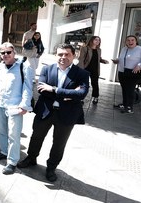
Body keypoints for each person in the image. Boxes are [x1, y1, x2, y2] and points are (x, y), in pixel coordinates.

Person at [17, 44, 89, 182]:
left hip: (67, 115)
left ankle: (51, 167)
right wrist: (69, 95)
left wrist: (54, 90)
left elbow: (81, 94)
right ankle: (31, 158)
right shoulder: (46, 69)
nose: (63, 57)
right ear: (56, 55)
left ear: (74, 55)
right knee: (36, 137)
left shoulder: (82, 74)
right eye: (60, 54)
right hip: (45, 111)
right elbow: (41, 89)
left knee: (59, 143)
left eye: (67, 54)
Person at [0, 43, 34, 175]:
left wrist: (24, 105)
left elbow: (28, 87)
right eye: (3, 53)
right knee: (2, 131)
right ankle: (4, 152)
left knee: (14, 135)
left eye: (8, 52)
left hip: (15, 106)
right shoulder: (1, 66)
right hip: (1, 103)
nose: (6, 55)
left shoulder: (24, 66)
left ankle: (12, 161)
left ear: (14, 52)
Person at [111, 35, 141, 113]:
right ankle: (124, 104)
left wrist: (139, 66)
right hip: (122, 71)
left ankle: (129, 107)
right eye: (128, 40)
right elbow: (121, 58)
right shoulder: (124, 49)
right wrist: (116, 60)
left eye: (132, 40)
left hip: (133, 72)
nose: (130, 42)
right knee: (124, 89)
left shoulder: (140, 49)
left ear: (136, 41)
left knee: (130, 89)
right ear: (125, 42)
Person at [77, 36, 109, 104]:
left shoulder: (99, 50)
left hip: (95, 69)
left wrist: (103, 61)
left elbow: (98, 59)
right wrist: (81, 69)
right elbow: (81, 59)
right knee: (84, 84)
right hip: (86, 68)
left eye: (99, 40)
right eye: (96, 40)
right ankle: (81, 98)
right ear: (91, 40)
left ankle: (95, 97)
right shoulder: (85, 48)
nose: (97, 41)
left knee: (95, 84)